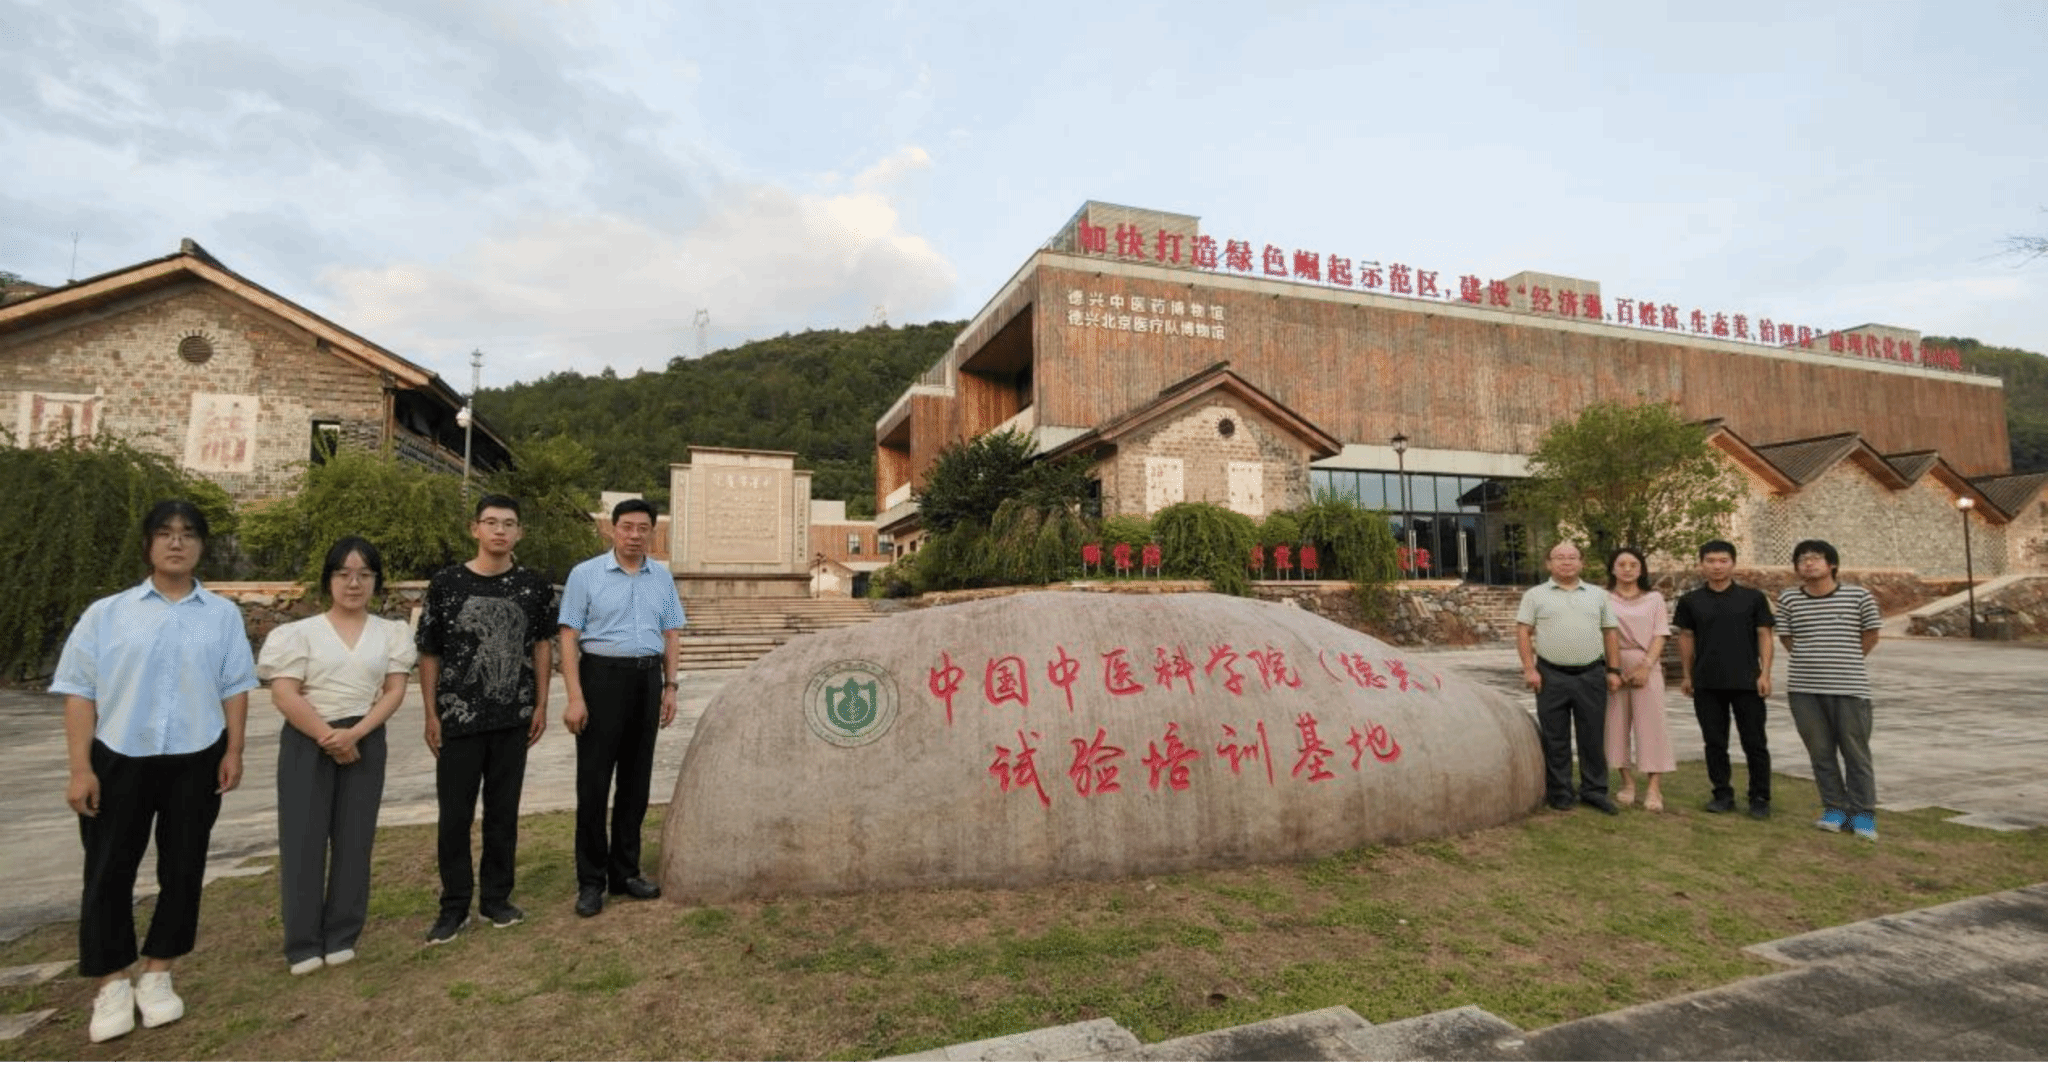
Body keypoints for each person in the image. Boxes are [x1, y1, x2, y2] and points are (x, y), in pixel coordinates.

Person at [52, 500, 257, 1043]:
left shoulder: (221, 616)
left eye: (188, 534)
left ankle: (160, 971)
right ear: (148, 544)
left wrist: (234, 751)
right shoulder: (107, 614)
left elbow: (236, 686)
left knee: (184, 867)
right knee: (108, 870)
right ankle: (112, 981)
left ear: (201, 546)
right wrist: (80, 768)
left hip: (197, 755)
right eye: (165, 533)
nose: (176, 542)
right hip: (119, 754)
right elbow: (79, 691)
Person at [257, 537, 415, 975]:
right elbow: (285, 693)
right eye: (344, 574)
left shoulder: (390, 633)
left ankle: (343, 934)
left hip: (366, 736)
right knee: (302, 839)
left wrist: (356, 733)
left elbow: (394, 690)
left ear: (376, 581)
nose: (354, 583)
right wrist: (328, 736)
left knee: (355, 838)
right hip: (308, 738)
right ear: (328, 580)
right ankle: (303, 943)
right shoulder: (298, 634)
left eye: (364, 574)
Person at [416, 494, 556, 944]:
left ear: (520, 533)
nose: (499, 530)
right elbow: (430, 651)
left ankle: (497, 898)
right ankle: (454, 906)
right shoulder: (447, 584)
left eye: (508, 523)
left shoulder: (533, 586)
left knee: (503, 814)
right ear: (474, 528)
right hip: (458, 718)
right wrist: (431, 712)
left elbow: (542, 645)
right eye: (491, 522)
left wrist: (541, 704)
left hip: (512, 717)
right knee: (454, 817)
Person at [558, 498, 685, 917]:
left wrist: (670, 687)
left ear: (652, 532)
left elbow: (671, 633)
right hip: (601, 678)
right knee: (594, 784)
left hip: (647, 680)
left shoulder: (661, 577)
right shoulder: (585, 574)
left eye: (643, 528)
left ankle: (626, 872)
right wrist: (575, 696)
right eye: (627, 527)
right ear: (613, 529)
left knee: (636, 781)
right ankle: (591, 881)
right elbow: (568, 636)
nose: (634, 535)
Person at [1776, 539, 1884, 841]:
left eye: (1815, 558)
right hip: (1804, 689)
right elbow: (1787, 638)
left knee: (1856, 753)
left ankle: (1863, 814)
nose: (1808, 563)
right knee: (1820, 753)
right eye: (1802, 559)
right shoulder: (1789, 599)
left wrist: (1845, 660)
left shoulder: (1858, 596)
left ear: (1832, 564)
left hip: (1849, 687)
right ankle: (1834, 809)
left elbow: (1871, 635)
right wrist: (1813, 660)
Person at [1515, 541, 1623, 814]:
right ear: (1548, 563)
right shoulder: (1535, 595)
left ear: (1582, 563)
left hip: (1591, 674)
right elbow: (1523, 632)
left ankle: (1594, 791)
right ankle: (1560, 792)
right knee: (1556, 738)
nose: (1566, 562)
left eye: (1572, 557)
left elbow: (1610, 633)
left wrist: (1613, 670)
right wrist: (1529, 669)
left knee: (1592, 737)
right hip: (1551, 675)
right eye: (1559, 557)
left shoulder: (1598, 595)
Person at [1674, 539, 1777, 819]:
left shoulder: (1753, 598)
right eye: (1710, 561)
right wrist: (1687, 675)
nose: (1717, 566)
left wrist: (1765, 673)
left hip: (1747, 682)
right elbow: (1686, 637)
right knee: (1714, 742)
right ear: (1701, 564)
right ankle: (1722, 793)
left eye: (1723, 561)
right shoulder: (1691, 601)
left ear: (1733, 564)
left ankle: (1760, 797)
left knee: (1755, 742)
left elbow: (1765, 635)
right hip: (1707, 682)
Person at [1604, 547, 1674, 812]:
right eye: (1621, 564)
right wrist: (1612, 669)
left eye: (1633, 564)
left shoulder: (1654, 599)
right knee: (1615, 725)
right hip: (1614, 664)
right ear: (1613, 569)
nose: (1627, 569)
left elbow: (1660, 633)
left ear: (1641, 569)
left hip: (1646, 663)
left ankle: (1654, 787)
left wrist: (1646, 666)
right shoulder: (1603, 598)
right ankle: (1627, 782)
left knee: (1652, 726)